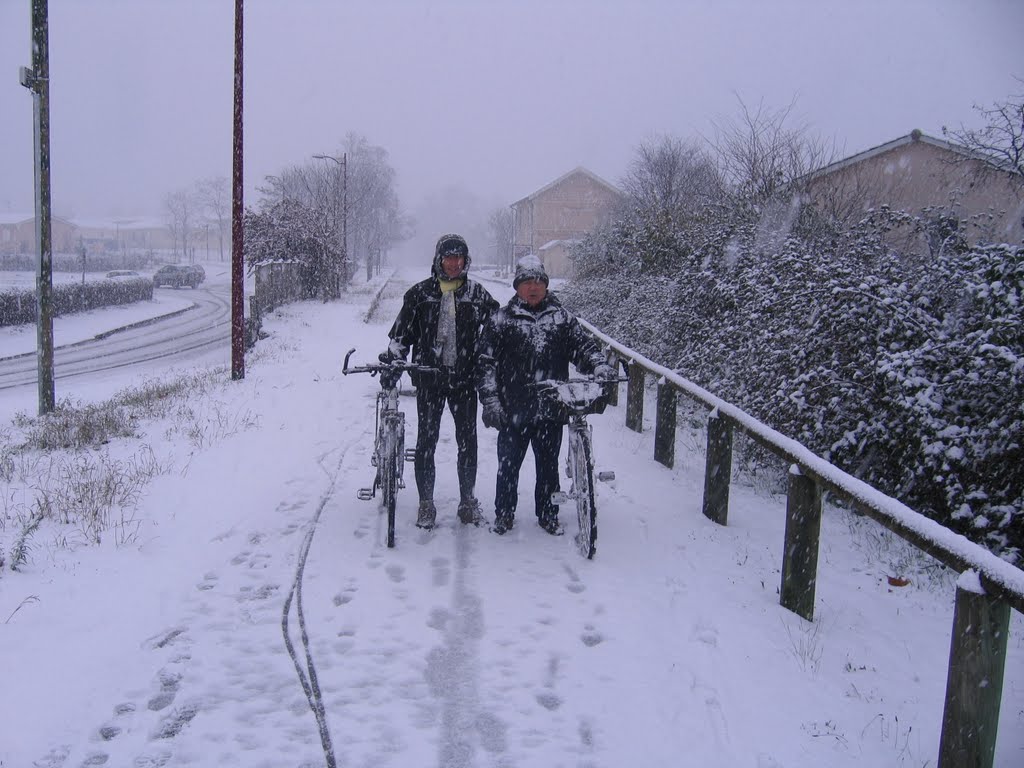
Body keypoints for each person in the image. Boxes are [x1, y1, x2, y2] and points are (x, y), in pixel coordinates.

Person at [477, 254, 616, 535]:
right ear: (517, 286)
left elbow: (583, 348)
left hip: (552, 407)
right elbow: (485, 364)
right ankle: (504, 513)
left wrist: (599, 364)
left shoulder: (562, 319)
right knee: (508, 467)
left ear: (546, 285)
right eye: (527, 282)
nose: (533, 287)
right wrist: (491, 400)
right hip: (512, 408)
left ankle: (548, 513)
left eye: (538, 281)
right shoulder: (502, 320)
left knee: (548, 466)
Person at [381, 233, 499, 529]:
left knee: (467, 442)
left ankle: (467, 501)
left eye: (459, 258)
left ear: (466, 260)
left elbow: (499, 328)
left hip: (464, 381)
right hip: (430, 380)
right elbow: (400, 336)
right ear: (438, 260)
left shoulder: (477, 294)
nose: (454, 263)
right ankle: (425, 503)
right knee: (426, 442)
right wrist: (394, 360)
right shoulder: (420, 294)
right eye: (448, 258)